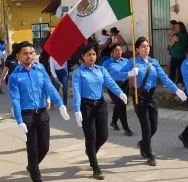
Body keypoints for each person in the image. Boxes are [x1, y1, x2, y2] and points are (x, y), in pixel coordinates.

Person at [120, 37, 187, 166]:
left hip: (152, 95)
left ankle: (142, 143)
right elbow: (118, 73)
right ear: (138, 49)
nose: (146, 48)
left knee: (154, 126)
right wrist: (129, 73)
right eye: (143, 46)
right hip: (139, 96)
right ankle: (149, 154)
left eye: (148, 46)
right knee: (146, 127)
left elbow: (164, 77)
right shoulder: (132, 61)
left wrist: (176, 90)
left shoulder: (154, 62)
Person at [9, 41, 70, 182]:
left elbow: (49, 87)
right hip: (27, 116)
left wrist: (60, 104)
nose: (29, 56)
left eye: (31, 53)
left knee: (44, 147)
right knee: (32, 150)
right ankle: (36, 177)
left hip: (42, 114)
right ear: (18, 56)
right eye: (25, 54)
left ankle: (32, 166)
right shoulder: (14, 76)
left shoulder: (40, 68)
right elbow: (15, 100)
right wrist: (19, 120)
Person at [72, 43, 129, 180]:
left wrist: (121, 93)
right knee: (91, 137)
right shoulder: (79, 72)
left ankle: (90, 151)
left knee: (103, 135)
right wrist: (76, 109)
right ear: (83, 57)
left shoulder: (101, 69)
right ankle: (95, 168)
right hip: (86, 106)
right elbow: (76, 91)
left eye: (93, 54)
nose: (92, 57)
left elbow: (110, 83)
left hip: (100, 104)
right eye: (88, 55)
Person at [103, 44, 134, 136]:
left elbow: (132, 71)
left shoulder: (126, 61)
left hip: (125, 85)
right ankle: (126, 128)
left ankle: (113, 121)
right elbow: (106, 76)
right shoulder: (106, 63)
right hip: (113, 86)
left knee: (120, 104)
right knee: (121, 104)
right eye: (116, 50)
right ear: (112, 52)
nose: (119, 52)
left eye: (120, 50)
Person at [169, 21, 188, 87]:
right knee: (181, 69)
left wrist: (169, 47)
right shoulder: (186, 35)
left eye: (177, 26)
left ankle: (171, 82)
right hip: (182, 55)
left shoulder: (177, 35)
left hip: (175, 55)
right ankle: (180, 82)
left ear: (180, 27)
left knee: (173, 69)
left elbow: (171, 44)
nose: (175, 27)